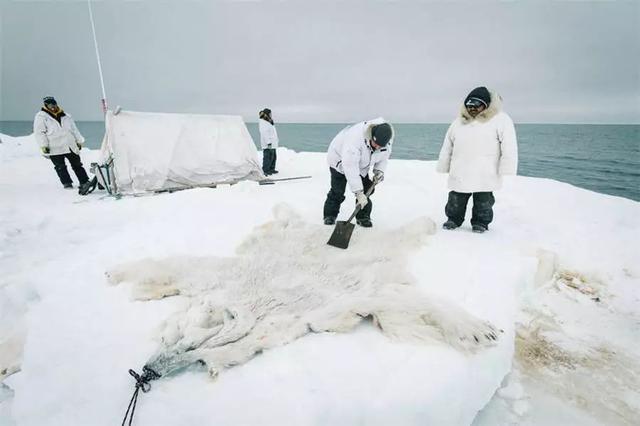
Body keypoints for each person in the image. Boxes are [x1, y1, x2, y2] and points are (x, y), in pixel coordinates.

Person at [436, 86, 518, 233]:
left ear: (486, 105)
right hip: (461, 167)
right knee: (456, 197)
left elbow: (509, 146)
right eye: (469, 105)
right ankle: (453, 219)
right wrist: (444, 165)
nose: (472, 108)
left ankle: (481, 222)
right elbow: (447, 146)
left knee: (484, 199)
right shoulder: (458, 122)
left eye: (476, 105)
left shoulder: (501, 120)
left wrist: (507, 167)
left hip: (486, 169)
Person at [323, 118, 393, 228]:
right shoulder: (355, 140)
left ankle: (363, 217)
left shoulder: (385, 140)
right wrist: (358, 192)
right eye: (376, 144)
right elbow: (350, 168)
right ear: (371, 136)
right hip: (339, 160)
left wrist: (379, 171)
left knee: (367, 191)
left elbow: (383, 157)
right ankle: (329, 215)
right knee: (338, 191)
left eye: (380, 146)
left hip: (361, 165)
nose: (378, 147)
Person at [34, 96, 89, 189]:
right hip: (54, 146)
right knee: (60, 167)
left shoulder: (66, 115)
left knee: (77, 164)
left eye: (53, 104)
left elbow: (74, 130)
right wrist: (44, 145)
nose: (52, 106)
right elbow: (39, 132)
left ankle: (84, 181)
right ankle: (67, 183)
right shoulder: (41, 116)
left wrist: (79, 141)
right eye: (49, 104)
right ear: (46, 105)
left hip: (69, 144)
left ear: (56, 104)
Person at [258, 108, 279, 175]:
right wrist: (268, 142)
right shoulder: (263, 122)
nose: (271, 115)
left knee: (273, 157)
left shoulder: (269, 121)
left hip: (272, 143)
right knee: (267, 157)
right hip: (268, 144)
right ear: (267, 114)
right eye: (270, 113)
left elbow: (272, 132)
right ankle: (266, 170)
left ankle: (271, 169)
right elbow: (264, 133)